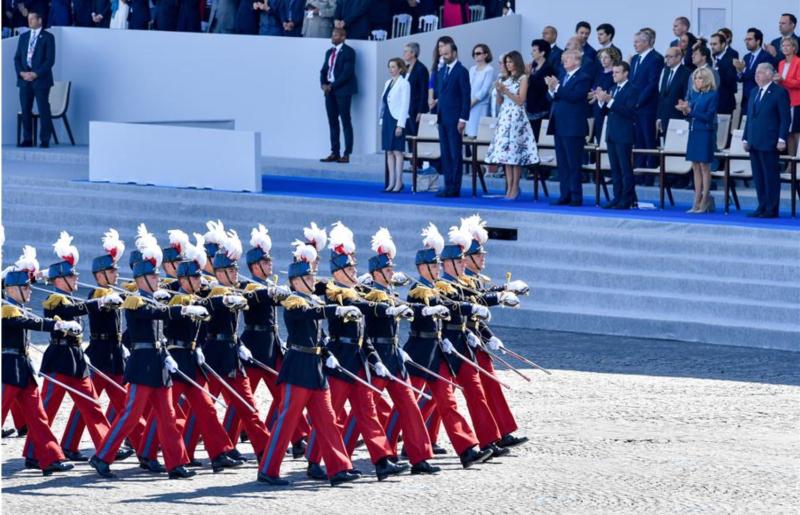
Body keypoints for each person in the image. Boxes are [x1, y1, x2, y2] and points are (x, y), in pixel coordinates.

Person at [88, 227, 195, 479]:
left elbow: (161, 323)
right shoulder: (136, 301)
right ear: (142, 280)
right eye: (153, 277)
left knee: (168, 417)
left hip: (159, 363)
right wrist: (180, 311)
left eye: (157, 277)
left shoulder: (155, 298)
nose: (157, 280)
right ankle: (102, 456)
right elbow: (153, 314)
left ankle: (176, 464)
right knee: (131, 414)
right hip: (142, 364)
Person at [304, 223, 407, 482]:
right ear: (338, 272)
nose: (354, 271)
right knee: (331, 414)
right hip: (340, 359)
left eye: (353, 267)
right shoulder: (333, 292)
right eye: (349, 268)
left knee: (367, 411)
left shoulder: (352, 290)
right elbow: (359, 304)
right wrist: (384, 309)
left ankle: (382, 460)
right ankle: (314, 460)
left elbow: (363, 310)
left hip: (359, 358)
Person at [255, 242, 359, 487]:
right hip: (298, 367)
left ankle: (339, 467)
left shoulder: (311, 299)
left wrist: (326, 350)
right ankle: (268, 469)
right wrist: (338, 311)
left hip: (315, 367)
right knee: (287, 420)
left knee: (328, 421)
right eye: (310, 276)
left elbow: (318, 330)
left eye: (313, 275)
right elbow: (311, 314)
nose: (314, 280)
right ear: (297, 280)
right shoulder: (294, 301)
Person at [399, 223, 493, 469]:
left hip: (438, 351)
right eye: (434, 265)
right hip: (419, 353)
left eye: (439, 265)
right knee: (408, 404)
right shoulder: (418, 290)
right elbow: (421, 310)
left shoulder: (438, 287)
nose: (438, 268)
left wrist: (480, 305)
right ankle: (388, 452)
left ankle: (466, 449)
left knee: (447, 400)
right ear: (422, 267)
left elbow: (454, 305)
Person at [1, 247, 75, 476]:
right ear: (11, 289)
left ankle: (50, 457)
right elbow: (29, 323)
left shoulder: (15, 307)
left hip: (23, 367)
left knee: (38, 416)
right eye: (25, 287)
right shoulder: (7, 309)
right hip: (8, 368)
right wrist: (57, 324)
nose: (30, 290)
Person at [486, 50, 539, 200]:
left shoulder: (523, 78)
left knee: (515, 155)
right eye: (506, 62)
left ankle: (515, 187)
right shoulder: (505, 78)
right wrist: (499, 92)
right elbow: (499, 103)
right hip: (504, 117)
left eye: (510, 61)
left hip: (516, 118)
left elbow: (521, 100)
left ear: (517, 62)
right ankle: (509, 187)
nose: (508, 65)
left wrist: (506, 91)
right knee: (506, 155)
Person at [545, 48, 593, 206]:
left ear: (576, 60)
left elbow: (575, 97)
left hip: (573, 126)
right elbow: (554, 97)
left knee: (573, 163)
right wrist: (552, 89)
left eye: (567, 59)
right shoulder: (562, 76)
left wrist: (557, 88)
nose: (563, 61)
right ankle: (564, 194)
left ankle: (576, 196)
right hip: (559, 124)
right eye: (563, 59)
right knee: (563, 163)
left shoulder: (583, 77)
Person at [743, 63, 790, 218]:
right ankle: (761, 206)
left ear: (770, 74)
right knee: (758, 177)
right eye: (756, 72)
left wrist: (782, 138)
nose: (757, 75)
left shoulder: (779, 92)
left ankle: (771, 209)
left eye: (761, 72)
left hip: (770, 141)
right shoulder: (754, 91)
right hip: (754, 141)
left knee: (770, 177)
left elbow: (785, 118)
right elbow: (750, 117)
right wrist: (745, 137)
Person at [595, 62, 639, 209]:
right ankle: (617, 196)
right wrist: (602, 101)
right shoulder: (613, 89)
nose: (613, 75)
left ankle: (627, 199)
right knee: (615, 169)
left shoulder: (632, 89)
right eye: (613, 72)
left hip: (624, 134)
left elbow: (629, 112)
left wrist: (610, 101)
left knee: (625, 169)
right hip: (612, 133)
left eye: (617, 72)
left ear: (626, 73)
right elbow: (605, 112)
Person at [677, 67, 719, 214]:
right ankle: (696, 198)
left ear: (707, 80)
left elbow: (708, 117)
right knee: (695, 166)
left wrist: (691, 111)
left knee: (704, 167)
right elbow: (691, 116)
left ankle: (705, 198)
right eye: (695, 78)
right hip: (694, 131)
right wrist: (684, 110)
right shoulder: (695, 95)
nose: (697, 81)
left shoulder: (712, 95)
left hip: (705, 132)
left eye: (700, 78)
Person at [433, 40, 470, 198]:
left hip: (455, 118)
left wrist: (463, 118)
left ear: (454, 53)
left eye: (447, 54)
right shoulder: (441, 71)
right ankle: (448, 185)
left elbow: (465, 96)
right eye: (442, 54)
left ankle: (455, 187)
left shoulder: (461, 71)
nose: (444, 56)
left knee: (455, 154)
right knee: (445, 153)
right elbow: (439, 93)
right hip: (443, 117)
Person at [14, 12, 54, 148]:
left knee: (43, 109)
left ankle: (44, 139)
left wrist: (35, 74)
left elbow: (49, 61)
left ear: (40, 20)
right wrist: (21, 73)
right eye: (28, 19)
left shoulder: (49, 37)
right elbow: (17, 58)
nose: (29, 21)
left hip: (41, 80)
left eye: (32, 19)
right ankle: (27, 139)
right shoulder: (23, 37)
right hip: (24, 80)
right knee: (26, 109)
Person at [320, 28, 357, 163]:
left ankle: (347, 154)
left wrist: (332, 86)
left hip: (343, 90)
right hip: (329, 91)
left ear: (343, 37)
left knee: (346, 122)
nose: (332, 37)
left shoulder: (349, 52)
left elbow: (347, 73)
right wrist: (323, 84)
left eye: (335, 35)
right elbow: (324, 70)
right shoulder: (329, 52)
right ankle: (335, 152)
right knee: (332, 122)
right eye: (332, 34)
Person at [630, 29, 664, 174]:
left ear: (646, 42)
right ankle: (639, 172)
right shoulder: (636, 59)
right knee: (638, 141)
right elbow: (632, 81)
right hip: (635, 107)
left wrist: (638, 101)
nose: (634, 44)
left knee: (648, 140)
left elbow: (652, 84)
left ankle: (649, 174)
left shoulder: (656, 58)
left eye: (637, 41)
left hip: (648, 106)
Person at [380, 58, 411, 192]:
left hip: (397, 119)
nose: (391, 69)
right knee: (389, 151)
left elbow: (405, 105)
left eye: (393, 67)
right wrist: (381, 119)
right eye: (389, 67)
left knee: (398, 151)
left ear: (400, 68)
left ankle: (399, 181)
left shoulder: (404, 83)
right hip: (387, 118)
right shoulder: (388, 82)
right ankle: (391, 182)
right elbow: (384, 102)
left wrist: (400, 125)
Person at [735, 28, 776, 110]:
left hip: (760, 100)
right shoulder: (746, 57)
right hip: (746, 100)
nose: (747, 42)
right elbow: (742, 78)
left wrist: (743, 69)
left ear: (758, 41)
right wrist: (739, 72)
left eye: (749, 39)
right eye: (745, 39)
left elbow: (762, 77)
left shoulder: (766, 57)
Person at [656, 46, 690, 139]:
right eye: (666, 57)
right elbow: (661, 96)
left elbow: (686, 96)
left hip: (678, 118)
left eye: (669, 57)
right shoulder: (665, 71)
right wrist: (659, 117)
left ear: (679, 57)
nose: (667, 59)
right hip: (664, 118)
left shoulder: (686, 73)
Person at [776, 36, 800, 159]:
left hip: (796, 101)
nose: (785, 48)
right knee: (788, 133)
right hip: (784, 101)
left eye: (787, 45)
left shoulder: (798, 62)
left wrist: (783, 80)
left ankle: (797, 161)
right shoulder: (781, 63)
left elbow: (798, 82)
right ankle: (791, 162)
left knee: (796, 132)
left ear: (794, 48)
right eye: (783, 46)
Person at [526, 38, 555, 141]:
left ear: (542, 53)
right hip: (529, 107)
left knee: (538, 137)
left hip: (541, 109)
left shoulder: (548, 68)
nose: (531, 53)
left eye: (534, 50)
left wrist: (530, 76)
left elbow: (542, 87)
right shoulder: (532, 66)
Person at [590, 47, 619, 144]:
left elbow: (612, 90)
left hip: (608, 109)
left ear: (613, 58)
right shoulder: (599, 73)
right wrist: (594, 93)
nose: (602, 60)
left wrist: (599, 93)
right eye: (601, 57)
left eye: (606, 57)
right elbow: (594, 88)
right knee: (598, 136)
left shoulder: (614, 74)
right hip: (597, 108)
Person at [466, 44, 496, 138]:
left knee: (478, 134)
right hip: (469, 104)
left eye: (478, 53)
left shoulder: (489, 70)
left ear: (486, 55)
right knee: (468, 134)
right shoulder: (472, 69)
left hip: (480, 105)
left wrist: (471, 103)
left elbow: (484, 90)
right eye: (474, 54)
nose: (475, 55)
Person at [403, 42, 429, 144]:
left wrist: (420, 111)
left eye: (406, 51)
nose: (404, 54)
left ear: (413, 53)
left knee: (415, 137)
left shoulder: (421, 69)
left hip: (415, 108)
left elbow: (424, 91)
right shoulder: (405, 68)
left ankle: (417, 160)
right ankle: (411, 160)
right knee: (408, 136)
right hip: (406, 108)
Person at [710, 32, 737, 115]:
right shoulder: (712, 59)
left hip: (724, 102)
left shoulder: (730, 59)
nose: (712, 47)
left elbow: (730, 81)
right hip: (712, 103)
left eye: (715, 44)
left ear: (723, 44)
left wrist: (717, 69)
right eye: (711, 44)